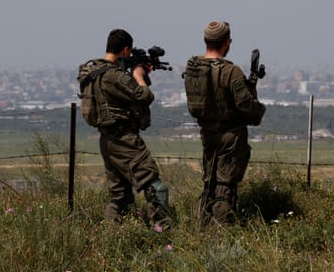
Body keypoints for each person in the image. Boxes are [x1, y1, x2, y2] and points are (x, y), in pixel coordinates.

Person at [183, 21, 266, 227]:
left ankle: (202, 227)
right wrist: (258, 111)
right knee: (225, 185)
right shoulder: (231, 72)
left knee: (209, 183)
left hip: (207, 133)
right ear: (227, 43)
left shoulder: (193, 67)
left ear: (205, 40)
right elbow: (246, 105)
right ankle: (223, 232)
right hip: (231, 135)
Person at [90, 29, 170, 229]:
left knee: (120, 196)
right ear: (126, 50)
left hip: (107, 140)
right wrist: (139, 75)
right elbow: (144, 96)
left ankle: (112, 238)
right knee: (155, 187)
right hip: (125, 140)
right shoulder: (113, 75)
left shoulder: (94, 71)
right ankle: (163, 234)